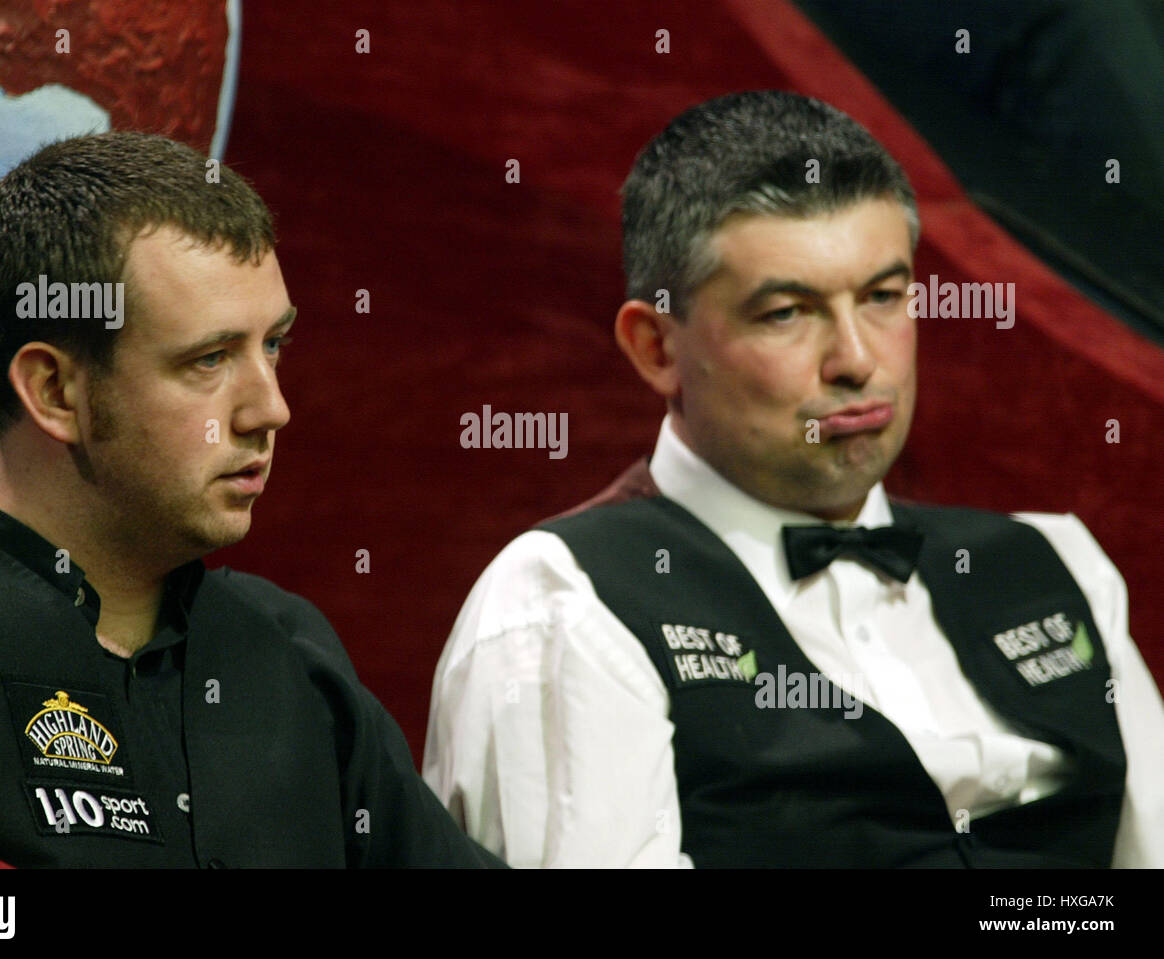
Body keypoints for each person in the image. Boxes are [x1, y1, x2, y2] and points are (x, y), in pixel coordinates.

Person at [422, 91, 1164, 867]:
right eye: (786, 312)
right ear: (655, 347)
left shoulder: (1055, 565)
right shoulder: (567, 607)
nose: (856, 359)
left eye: (883, 297)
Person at [0, 131, 500, 868]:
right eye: (209, 359)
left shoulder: (289, 655)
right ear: (54, 391)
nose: (271, 409)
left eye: (274, 347)